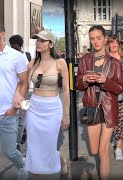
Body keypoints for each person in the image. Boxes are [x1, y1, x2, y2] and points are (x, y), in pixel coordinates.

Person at [76, 26, 123, 179]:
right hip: (91, 107)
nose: (95, 41)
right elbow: (77, 85)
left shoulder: (114, 62)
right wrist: (83, 79)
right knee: (94, 150)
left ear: (104, 39)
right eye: (92, 38)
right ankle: (105, 151)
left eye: (98, 38)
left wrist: (105, 81)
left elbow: (119, 88)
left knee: (102, 151)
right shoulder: (84, 60)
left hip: (108, 108)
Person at [24, 30, 70, 178]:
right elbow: (24, 85)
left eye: (42, 40)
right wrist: (18, 97)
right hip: (34, 108)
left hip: (52, 108)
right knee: (33, 146)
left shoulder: (60, 62)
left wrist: (66, 115)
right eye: (37, 40)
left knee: (49, 145)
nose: (38, 42)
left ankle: (62, 161)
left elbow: (67, 90)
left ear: (50, 44)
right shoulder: (32, 63)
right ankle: (34, 174)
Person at [0, 24, 29, 180]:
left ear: (2, 33)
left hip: (7, 113)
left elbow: (24, 82)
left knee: (10, 151)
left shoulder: (16, 56)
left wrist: (15, 107)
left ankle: (22, 166)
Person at [9, 34, 32, 151]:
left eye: (15, 47)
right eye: (11, 46)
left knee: (22, 117)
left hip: (27, 92)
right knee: (14, 117)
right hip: (13, 91)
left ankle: (17, 142)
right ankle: (21, 134)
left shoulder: (27, 55)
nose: (13, 49)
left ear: (20, 45)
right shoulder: (10, 57)